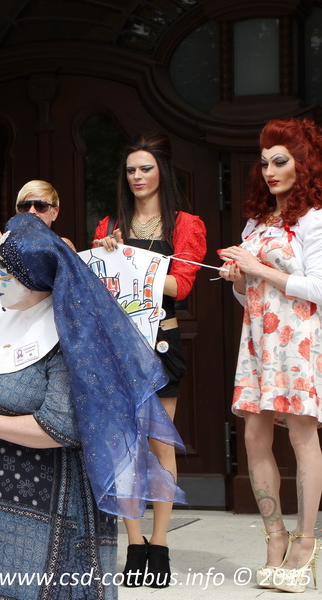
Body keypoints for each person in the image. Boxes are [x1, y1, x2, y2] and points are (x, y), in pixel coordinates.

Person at [0, 212, 184, 600]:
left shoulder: (71, 338)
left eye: (4, 273)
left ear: (33, 278)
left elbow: (60, 427)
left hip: (53, 509)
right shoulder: (14, 321)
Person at [92, 132, 206, 588]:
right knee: (125, 445)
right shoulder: (109, 226)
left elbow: (182, 285)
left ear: (162, 172)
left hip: (161, 341)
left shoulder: (185, 224)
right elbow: (99, 288)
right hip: (118, 345)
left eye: (146, 168)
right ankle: (134, 542)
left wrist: (130, 262)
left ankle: (160, 544)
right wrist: (108, 256)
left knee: (159, 444)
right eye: (131, 170)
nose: (137, 176)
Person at [219, 117, 322, 593]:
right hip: (258, 339)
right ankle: (275, 536)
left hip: (298, 340)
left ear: (303, 163)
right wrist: (239, 279)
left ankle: (306, 541)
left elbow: (318, 288)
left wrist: (257, 268)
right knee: (254, 436)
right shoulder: (257, 222)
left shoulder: (314, 218)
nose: (270, 172)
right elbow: (248, 295)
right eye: (264, 163)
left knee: (302, 435)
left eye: (280, 161)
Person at [0, 180, 75, 250]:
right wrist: (2, 253)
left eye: (40, 206)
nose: (32, 211)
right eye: (25, 206)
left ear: (54, 213)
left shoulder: (62, 245)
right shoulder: (10, 248)